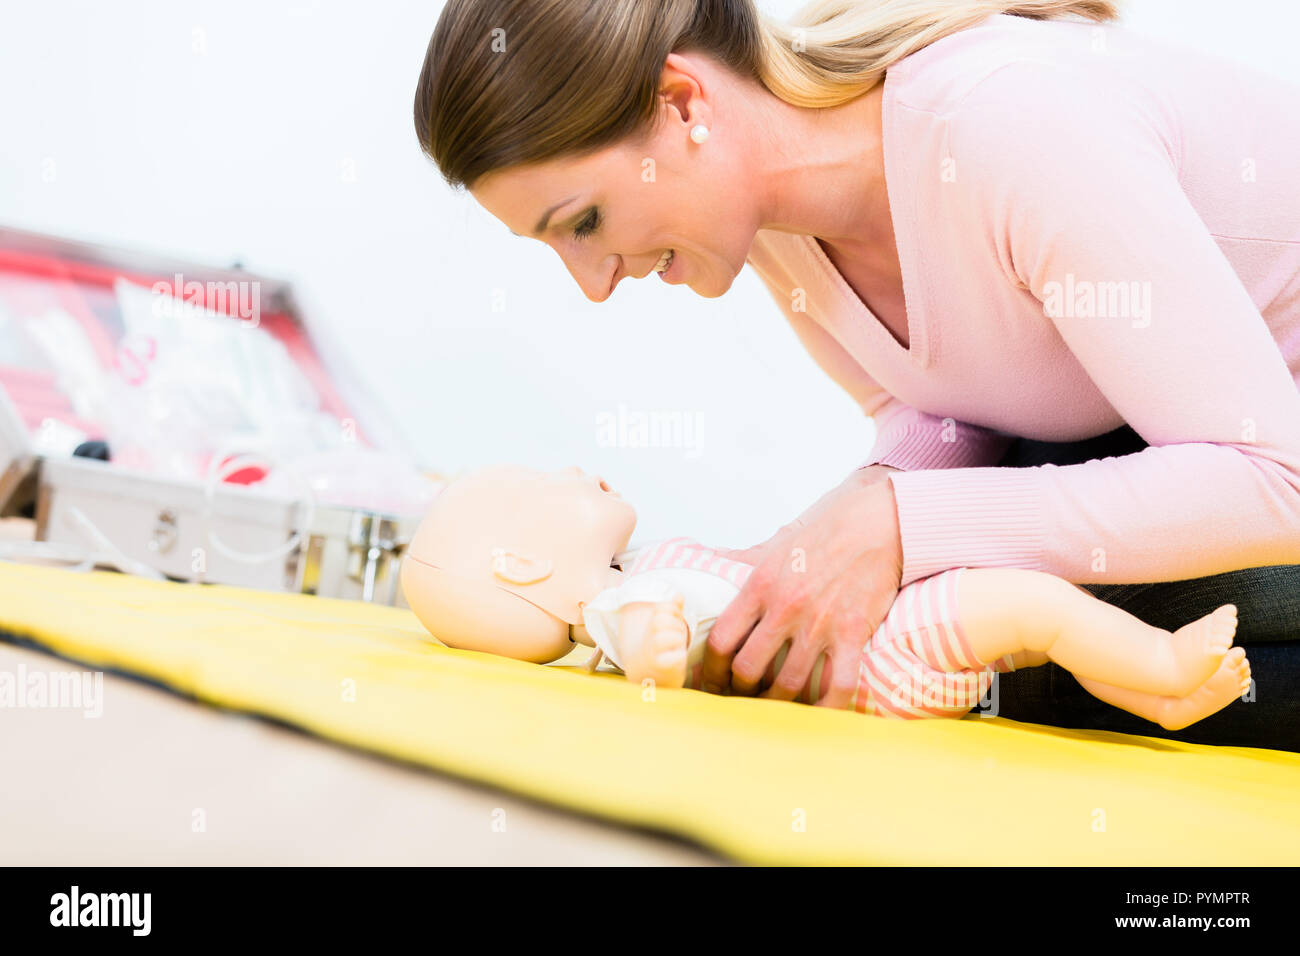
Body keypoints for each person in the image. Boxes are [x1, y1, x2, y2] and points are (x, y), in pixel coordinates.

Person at [412, 0, 1300, 748]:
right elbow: (956, 412)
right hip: (1198, 450)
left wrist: (897, 523)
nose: (594, 283)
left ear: (682, 103)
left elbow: (1276, 481)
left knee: (1052, 639)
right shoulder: (777, 234)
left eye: (585, 221)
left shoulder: (1005, 125)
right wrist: (834, 530)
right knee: (945, 633)